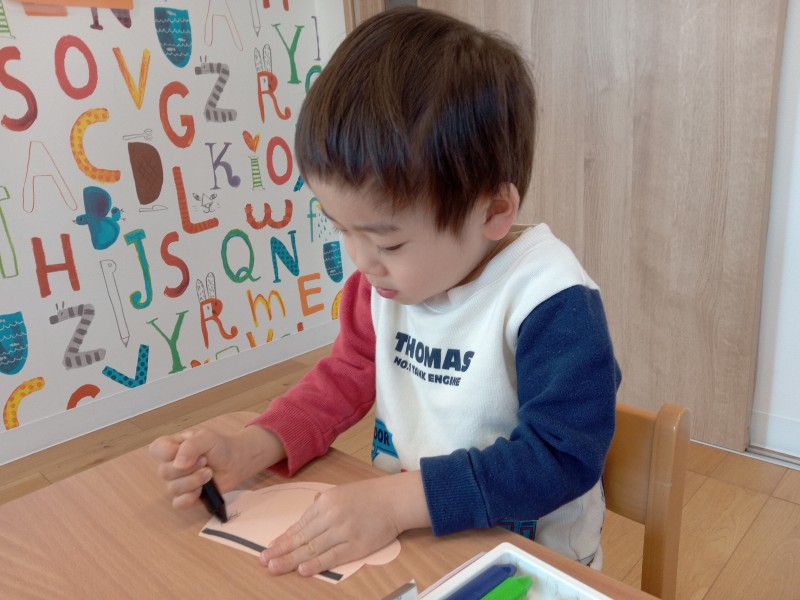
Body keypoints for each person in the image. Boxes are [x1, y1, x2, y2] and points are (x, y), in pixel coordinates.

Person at [150, 6, 620, 578]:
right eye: (341, 228)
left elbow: (560, 457)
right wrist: (250, 447)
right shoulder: (380, 285)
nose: (360, 260)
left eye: (387, 242)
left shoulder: (550, 301)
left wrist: (397, 503)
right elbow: (345, 377)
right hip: (418, 540)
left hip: (531, 566)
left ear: (494, 210)